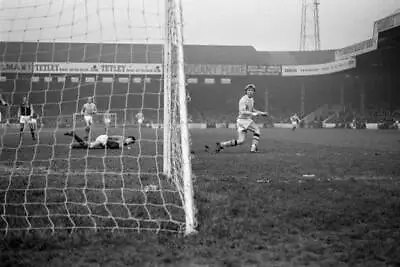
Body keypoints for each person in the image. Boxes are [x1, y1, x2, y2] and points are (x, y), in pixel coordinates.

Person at [215, 84, 267, 153]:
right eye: (248, 90)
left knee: (241, 141)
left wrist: (261, 113)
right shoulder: (243, 99)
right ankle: (253, 148)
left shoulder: (251, 99)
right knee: (257, 129)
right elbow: (242, 111)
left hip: (242, 121)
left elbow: (252, 109)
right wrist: (253, 114)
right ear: (246, 91)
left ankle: (221, 144)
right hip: (243, 120)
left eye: (252, 90)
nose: (250, 92)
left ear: (254, 92)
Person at [65, 131, 136, 149]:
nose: (131, 143)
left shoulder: (124, 144)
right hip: (104, 139)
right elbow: (112, 137)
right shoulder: (122, 138)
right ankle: (74, 135)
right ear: (129, 138)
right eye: (131, 141)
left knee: (86, 146)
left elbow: (118, 145)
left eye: (131, 143)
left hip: (104, 141)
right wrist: (105, 141)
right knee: (89, 146)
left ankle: (73, 145)